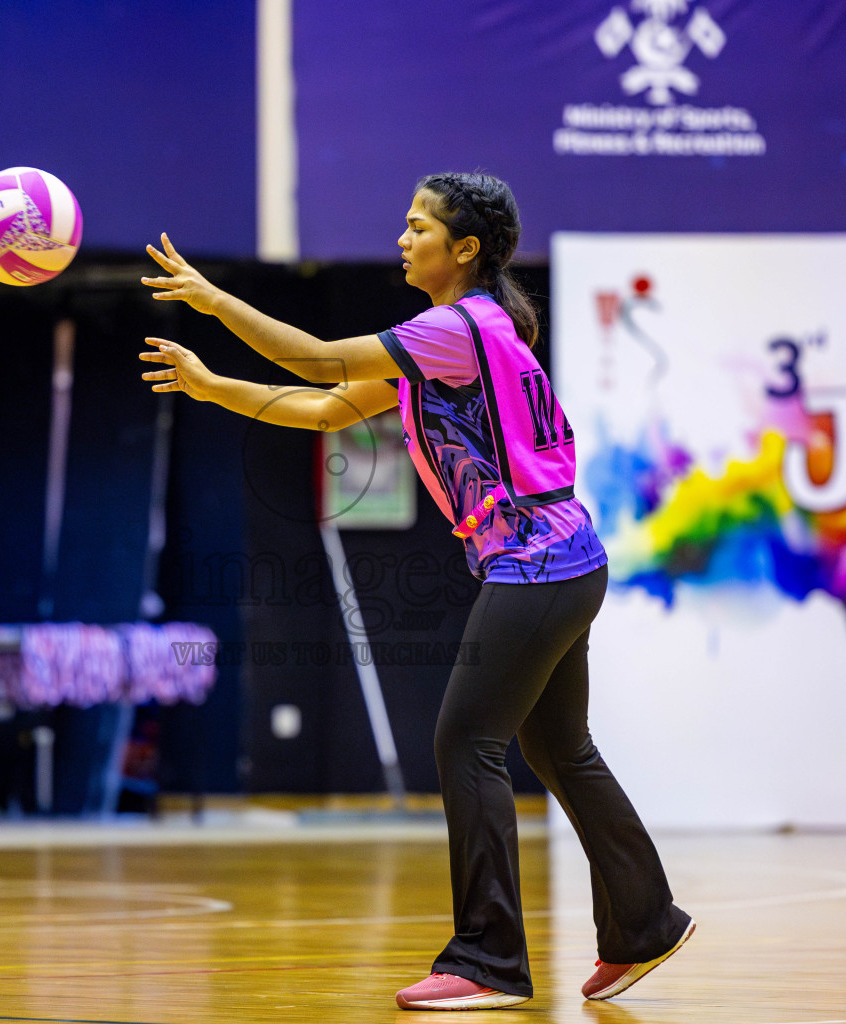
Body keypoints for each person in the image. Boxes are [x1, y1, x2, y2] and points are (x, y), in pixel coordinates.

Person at [140, 172, 693, 1009]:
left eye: (417, 226)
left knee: (465, 741)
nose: (402, 238)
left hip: (539, 563)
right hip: (568, 558)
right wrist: (213, 386)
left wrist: (214, 300)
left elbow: (319, 357)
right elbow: (329, 405)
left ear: (463, 249)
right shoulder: (460, 334)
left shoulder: (457, 328)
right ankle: (645, 923)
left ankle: (489, 960)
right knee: (557, 750)